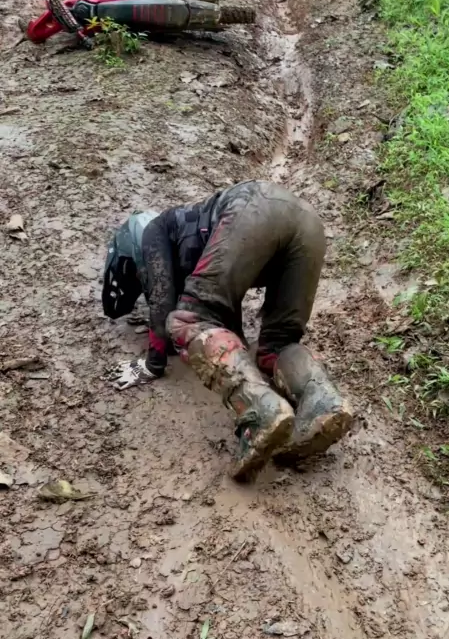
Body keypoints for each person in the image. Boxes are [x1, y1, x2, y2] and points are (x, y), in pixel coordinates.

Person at [102, 180, 353, 481]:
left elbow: (162, 303)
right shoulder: (187, 229)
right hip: (309, 225)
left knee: (186, 321)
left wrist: (151, 363)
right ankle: (323, 402)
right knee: (277, 344)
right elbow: (225, 310)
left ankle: (263, 412)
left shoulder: (154, 230)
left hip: (255, 208)